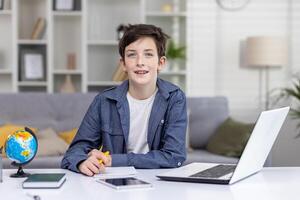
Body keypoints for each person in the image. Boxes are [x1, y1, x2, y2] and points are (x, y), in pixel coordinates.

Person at [61, 24, 187, 176]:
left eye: (148, 54)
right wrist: (82, 162)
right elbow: (73, 153)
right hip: (114, 181)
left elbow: (174, 157)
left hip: (159, 182)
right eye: (132, 54)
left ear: (160, 63)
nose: (140, 61)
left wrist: (115, 160)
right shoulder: (104, 101)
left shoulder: (175, 98)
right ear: (123, 64)